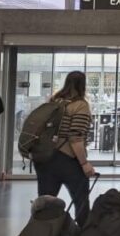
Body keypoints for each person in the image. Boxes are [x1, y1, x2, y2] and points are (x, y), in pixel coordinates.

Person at [35, 71, 96, 227]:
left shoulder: (53, 101)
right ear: (82, 85)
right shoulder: (80, 105)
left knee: (45, 205)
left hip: (45, 159)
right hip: (68, 160)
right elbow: (75, 138)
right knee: (81, 203)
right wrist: (84, 163)